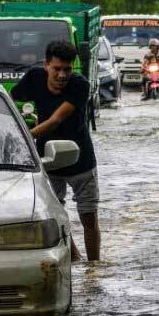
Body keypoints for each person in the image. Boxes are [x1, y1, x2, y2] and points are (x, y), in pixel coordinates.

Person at [10, 40, 100, 262]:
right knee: (54, 217)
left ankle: (95, 268)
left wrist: (23, 135)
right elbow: (12, 98)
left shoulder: (80, 85)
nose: (62, 75)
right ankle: (76, 259)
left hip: (80, 159)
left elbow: (54, 120)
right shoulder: (34, 77)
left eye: (67, 69)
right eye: (56, 69)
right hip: (48, 160)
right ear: (45, 65)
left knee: (89, 217)